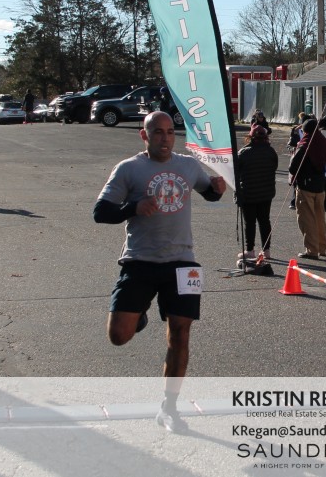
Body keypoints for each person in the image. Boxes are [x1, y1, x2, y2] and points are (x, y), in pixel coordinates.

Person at [92, 111, 227, 433]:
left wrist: (217, 189)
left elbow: (208, 192)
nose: (165, 138)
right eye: (157, 132)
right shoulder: (129, 169)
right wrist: (133, 207)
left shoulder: (188, 165)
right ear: (145, 135)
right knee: (118, 336)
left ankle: (169, 407)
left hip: (182, 261)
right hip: (140, 260)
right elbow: (101, 212)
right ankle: (138, 314)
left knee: (180, 333)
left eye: (169, 132)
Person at [235, 123, 279, 262]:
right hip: (266, 192)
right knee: (265, 221)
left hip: (248, 193)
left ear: (251, 137)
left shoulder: (244, 152)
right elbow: (274, 167)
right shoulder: (271, 151)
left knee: (250, 223)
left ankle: (250, 250)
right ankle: (266, 250)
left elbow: (236, 171)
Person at [288, 118, 326, 259]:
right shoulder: (323, 142)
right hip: (320, 185)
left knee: (307, 219)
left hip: (305, 186)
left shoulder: (305, 144)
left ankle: (312, 249)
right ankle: (322, 247)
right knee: (319, 218)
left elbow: (293, 167)